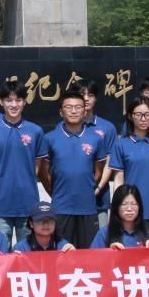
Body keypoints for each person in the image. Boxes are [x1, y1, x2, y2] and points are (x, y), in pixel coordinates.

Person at [39, 91, 107, 249]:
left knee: (88, 253)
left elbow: (98, 171)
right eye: (69, 107)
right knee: (62, 252)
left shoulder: (96, 138)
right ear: (61, 112)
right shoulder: (50, 138)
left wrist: (87, 187)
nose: (74, 111)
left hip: (87, 207)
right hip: (61, 207)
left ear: (84, 111)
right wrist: (54, 191)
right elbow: (43, 172)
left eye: (78, 107)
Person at [106, 97, 149, 241]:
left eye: (147, 114)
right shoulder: (121, 145)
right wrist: (116, 210)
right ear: (130, 116)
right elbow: (119, 180)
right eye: (138, 114)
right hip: (129, 213)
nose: (143, 119)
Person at [0, 79, 46, 247]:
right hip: (0, 204)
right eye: (9, 100)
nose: (13, 105)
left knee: (27, 252)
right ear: (1, 102)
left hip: (28, 203)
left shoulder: (36, 131)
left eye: (18, 100)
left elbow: (37, 167)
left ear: (25, 102)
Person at [72, 79, 118, 228]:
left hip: (99, 197)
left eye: (90, 95)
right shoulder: (65, 127)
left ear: (96, 98)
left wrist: (98, 188)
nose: (86, 98)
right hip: (72, 197)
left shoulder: (107, 128)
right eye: (82, 94)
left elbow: (110, 161)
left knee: (100, 238)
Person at [90, 184, 149, 250]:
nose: (129, 209)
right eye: (124, 204)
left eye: (133, 204)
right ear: (116, 207)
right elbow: (93, 256)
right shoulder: (104, 233)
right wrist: (110, 252)